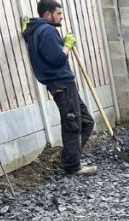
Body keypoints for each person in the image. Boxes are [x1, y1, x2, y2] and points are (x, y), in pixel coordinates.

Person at [22, 1, 97, 176]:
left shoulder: (37, 31)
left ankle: (71, 157)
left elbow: (35, 41)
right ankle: (73, 167)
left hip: (63, 83)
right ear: (47, 14)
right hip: (61, 83)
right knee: (72, 124)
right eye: (58, 14)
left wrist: (62, 43)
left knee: (86, 121)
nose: (61, 17)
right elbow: (57, 59)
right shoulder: (46, 31)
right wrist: (67, 45)